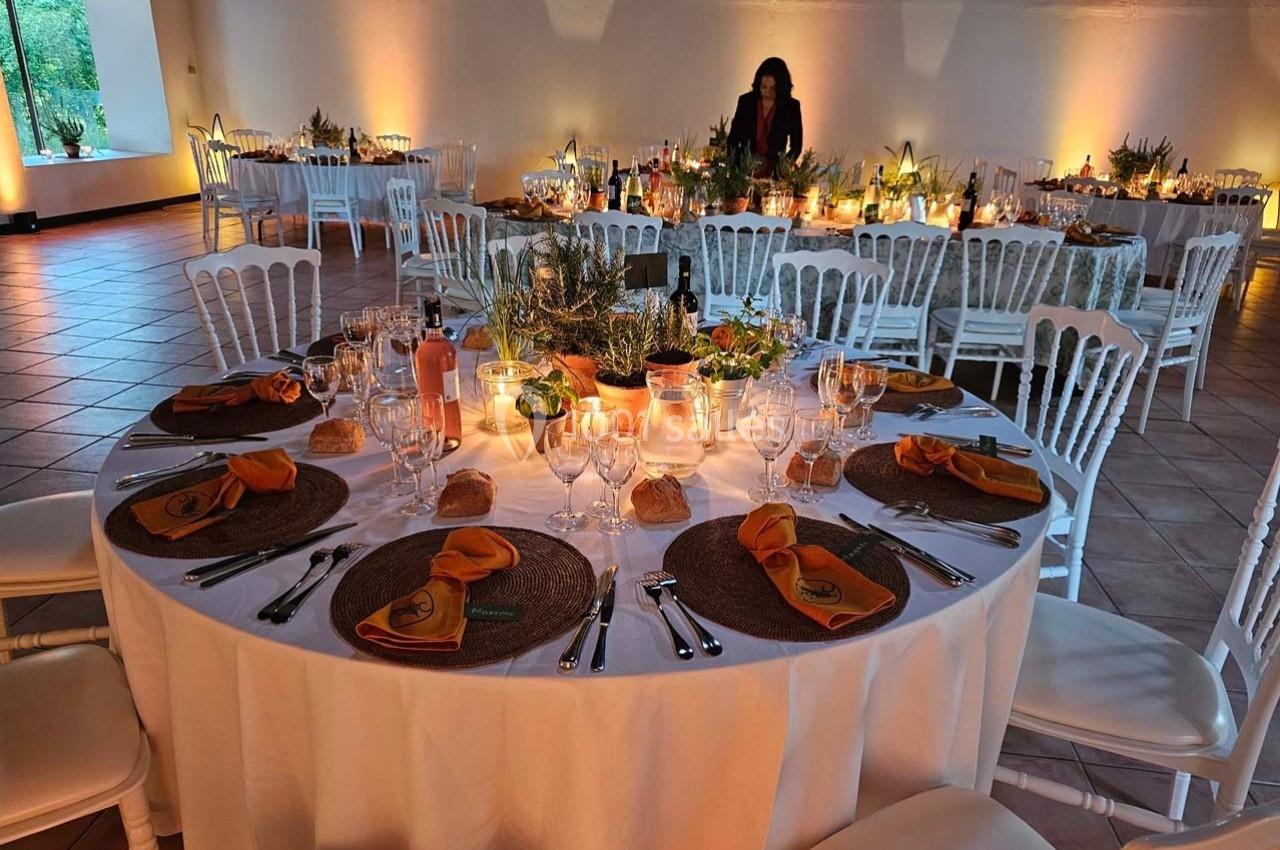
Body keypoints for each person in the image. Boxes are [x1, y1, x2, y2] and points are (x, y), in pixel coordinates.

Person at [727, 57, 803, 178]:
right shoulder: (746, 101)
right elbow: (733, 139)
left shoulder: (791, 107)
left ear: (782, 87)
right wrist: (735, 167)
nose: (767, 92)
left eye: (773, 89)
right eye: (763, 87)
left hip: (774, 173)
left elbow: (796, 146)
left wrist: (782, 169)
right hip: (744, 171)